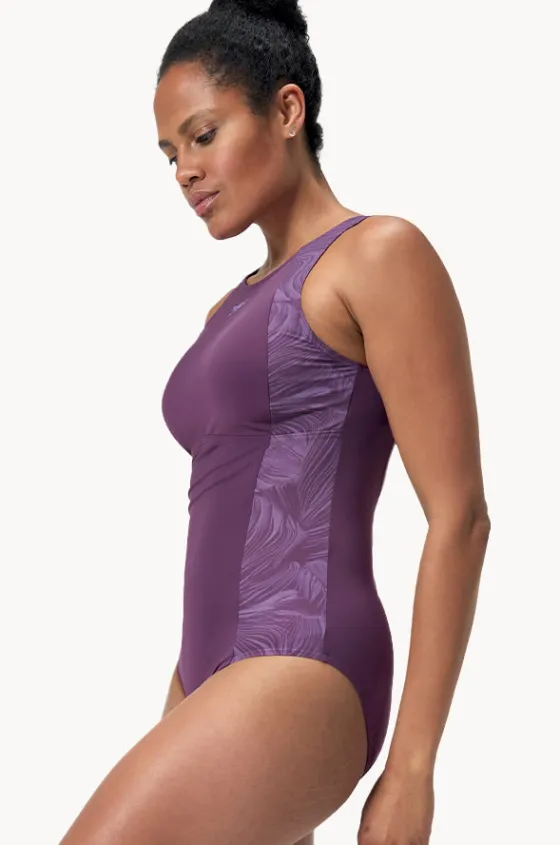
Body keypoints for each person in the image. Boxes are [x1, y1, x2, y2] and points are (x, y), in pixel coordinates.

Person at [58, 1, 491, 843]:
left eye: (203, 135)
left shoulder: (378, 254)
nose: (185, 171)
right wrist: (184, 696)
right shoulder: (224, 309)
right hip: (206, 673)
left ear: (287, 111)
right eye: (170, 153)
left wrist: (411, 768)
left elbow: (460, 515)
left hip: (303, 653)